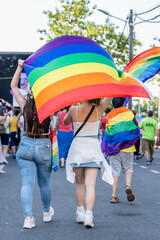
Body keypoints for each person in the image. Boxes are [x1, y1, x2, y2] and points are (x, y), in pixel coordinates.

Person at [11, 60, 54, 229]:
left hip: (26, 144)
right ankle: (46, 213)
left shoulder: (24, 104)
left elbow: (14, 86)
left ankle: (28, 219)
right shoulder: (50, 106)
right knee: (45, 183)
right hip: (44, 145)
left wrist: (20, 67)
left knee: (27, 183)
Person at [64, 98, 113, 228]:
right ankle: (88, 216)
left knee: (79, 183)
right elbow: (110, 96)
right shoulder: (99, 108)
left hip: (78, 150)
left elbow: (65, 122)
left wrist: (74, 106)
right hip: (93, 149)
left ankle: (80, 213)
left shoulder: (73, 109)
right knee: (90, 185)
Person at [102, 97, 139, 204]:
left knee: (115, 171)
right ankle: (128, 186)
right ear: (124, 103)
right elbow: (135, 127)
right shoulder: (129, 113)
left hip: (114, 147)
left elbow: (108, 132)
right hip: (128, 146)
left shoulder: (109, 115)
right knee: (128, 168)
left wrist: (106, 147)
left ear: (113, 104)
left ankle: (113, 195)